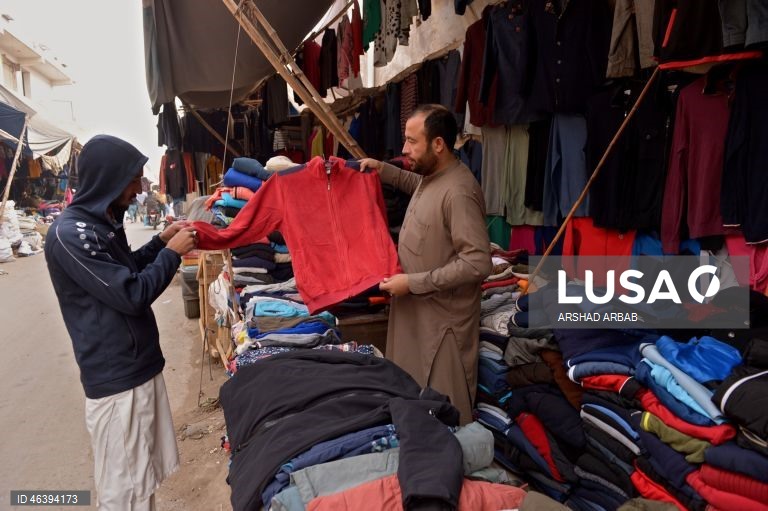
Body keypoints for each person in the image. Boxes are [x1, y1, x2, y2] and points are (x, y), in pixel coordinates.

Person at [44, 135, 198, 510]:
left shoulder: (99, 225)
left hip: (137, 372)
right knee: (124, 492)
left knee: (140, 483)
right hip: (118, 383)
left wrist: (161, 243)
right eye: (132, 179)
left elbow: (125, 270)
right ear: (109, 179)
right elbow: (131, 294)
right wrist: (172, 256)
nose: (138, 188)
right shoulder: (70, 235)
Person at [359, 104, 492, 424]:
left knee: (444, 414)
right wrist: (383, 170)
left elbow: (478, 262)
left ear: (438, 145)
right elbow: (414, 185)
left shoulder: (459, 191)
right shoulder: (431, 175)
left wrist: (413, 283)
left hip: (441, 327)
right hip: (415, 316)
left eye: (411, 141)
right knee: (412, 405)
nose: (404, 149)